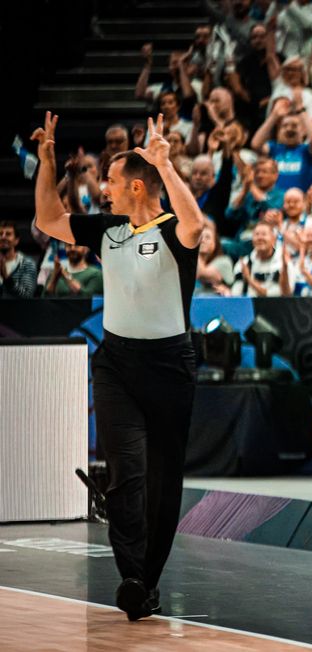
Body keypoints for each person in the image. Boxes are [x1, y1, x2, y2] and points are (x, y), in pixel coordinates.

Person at [33, 112, 205, 620]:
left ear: (135, 186)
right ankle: (131, 577)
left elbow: (196, 225)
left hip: (169, 364)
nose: (102, 189)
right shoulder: (108, 229)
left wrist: (165, 165)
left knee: (163, 478)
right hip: (116, 363)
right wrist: (47, 162)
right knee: (125, 470)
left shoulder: (173, 231)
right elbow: (47, 220)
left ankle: (147, 582)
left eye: (109, 180)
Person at [230, 221, 282, 297]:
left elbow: (273, 295)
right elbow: (236, 294)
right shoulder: (244, 263)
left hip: (275, 304)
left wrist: (249, 279)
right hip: (249, 304)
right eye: (256, 234)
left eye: (264, 234)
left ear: (274, 239)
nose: (260, 238)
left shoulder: (281, 263)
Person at [0, 221, 39, 298]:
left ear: (16, 240)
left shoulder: (27, 263)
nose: (3, 237)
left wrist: (6, 278)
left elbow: (27, 295)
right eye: (0, 234)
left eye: (8, 234)